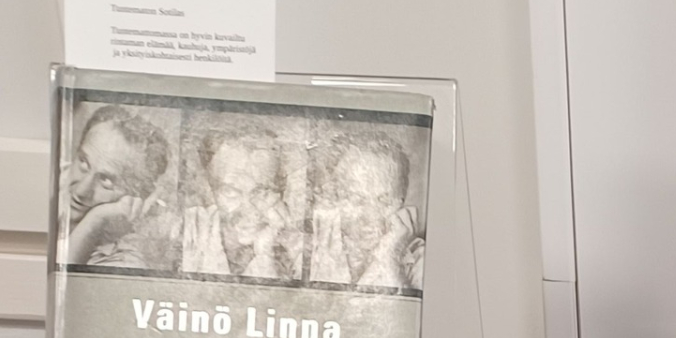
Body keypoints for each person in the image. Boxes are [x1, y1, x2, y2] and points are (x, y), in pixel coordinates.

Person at [309, 131, 423, 290]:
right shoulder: (308, 247)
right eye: (357, 200)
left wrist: (389, 258)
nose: (371, 217)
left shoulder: (422, 260)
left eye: (384, 201)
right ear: (336, 199)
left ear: (401, 202)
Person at [62, 104, 173, 269]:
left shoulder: (125, 263)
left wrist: (94, 221)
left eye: (106, 180)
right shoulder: (52, 174)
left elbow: (61, 279)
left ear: (137, 197)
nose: (81, 191)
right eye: (84, 162)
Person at [180, 129, 300, 280]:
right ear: (210, 190)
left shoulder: (298, 249)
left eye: (261, 192)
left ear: (280, 191)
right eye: (230, 191)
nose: (248, 209)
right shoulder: (187, 230)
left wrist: (265, 256)